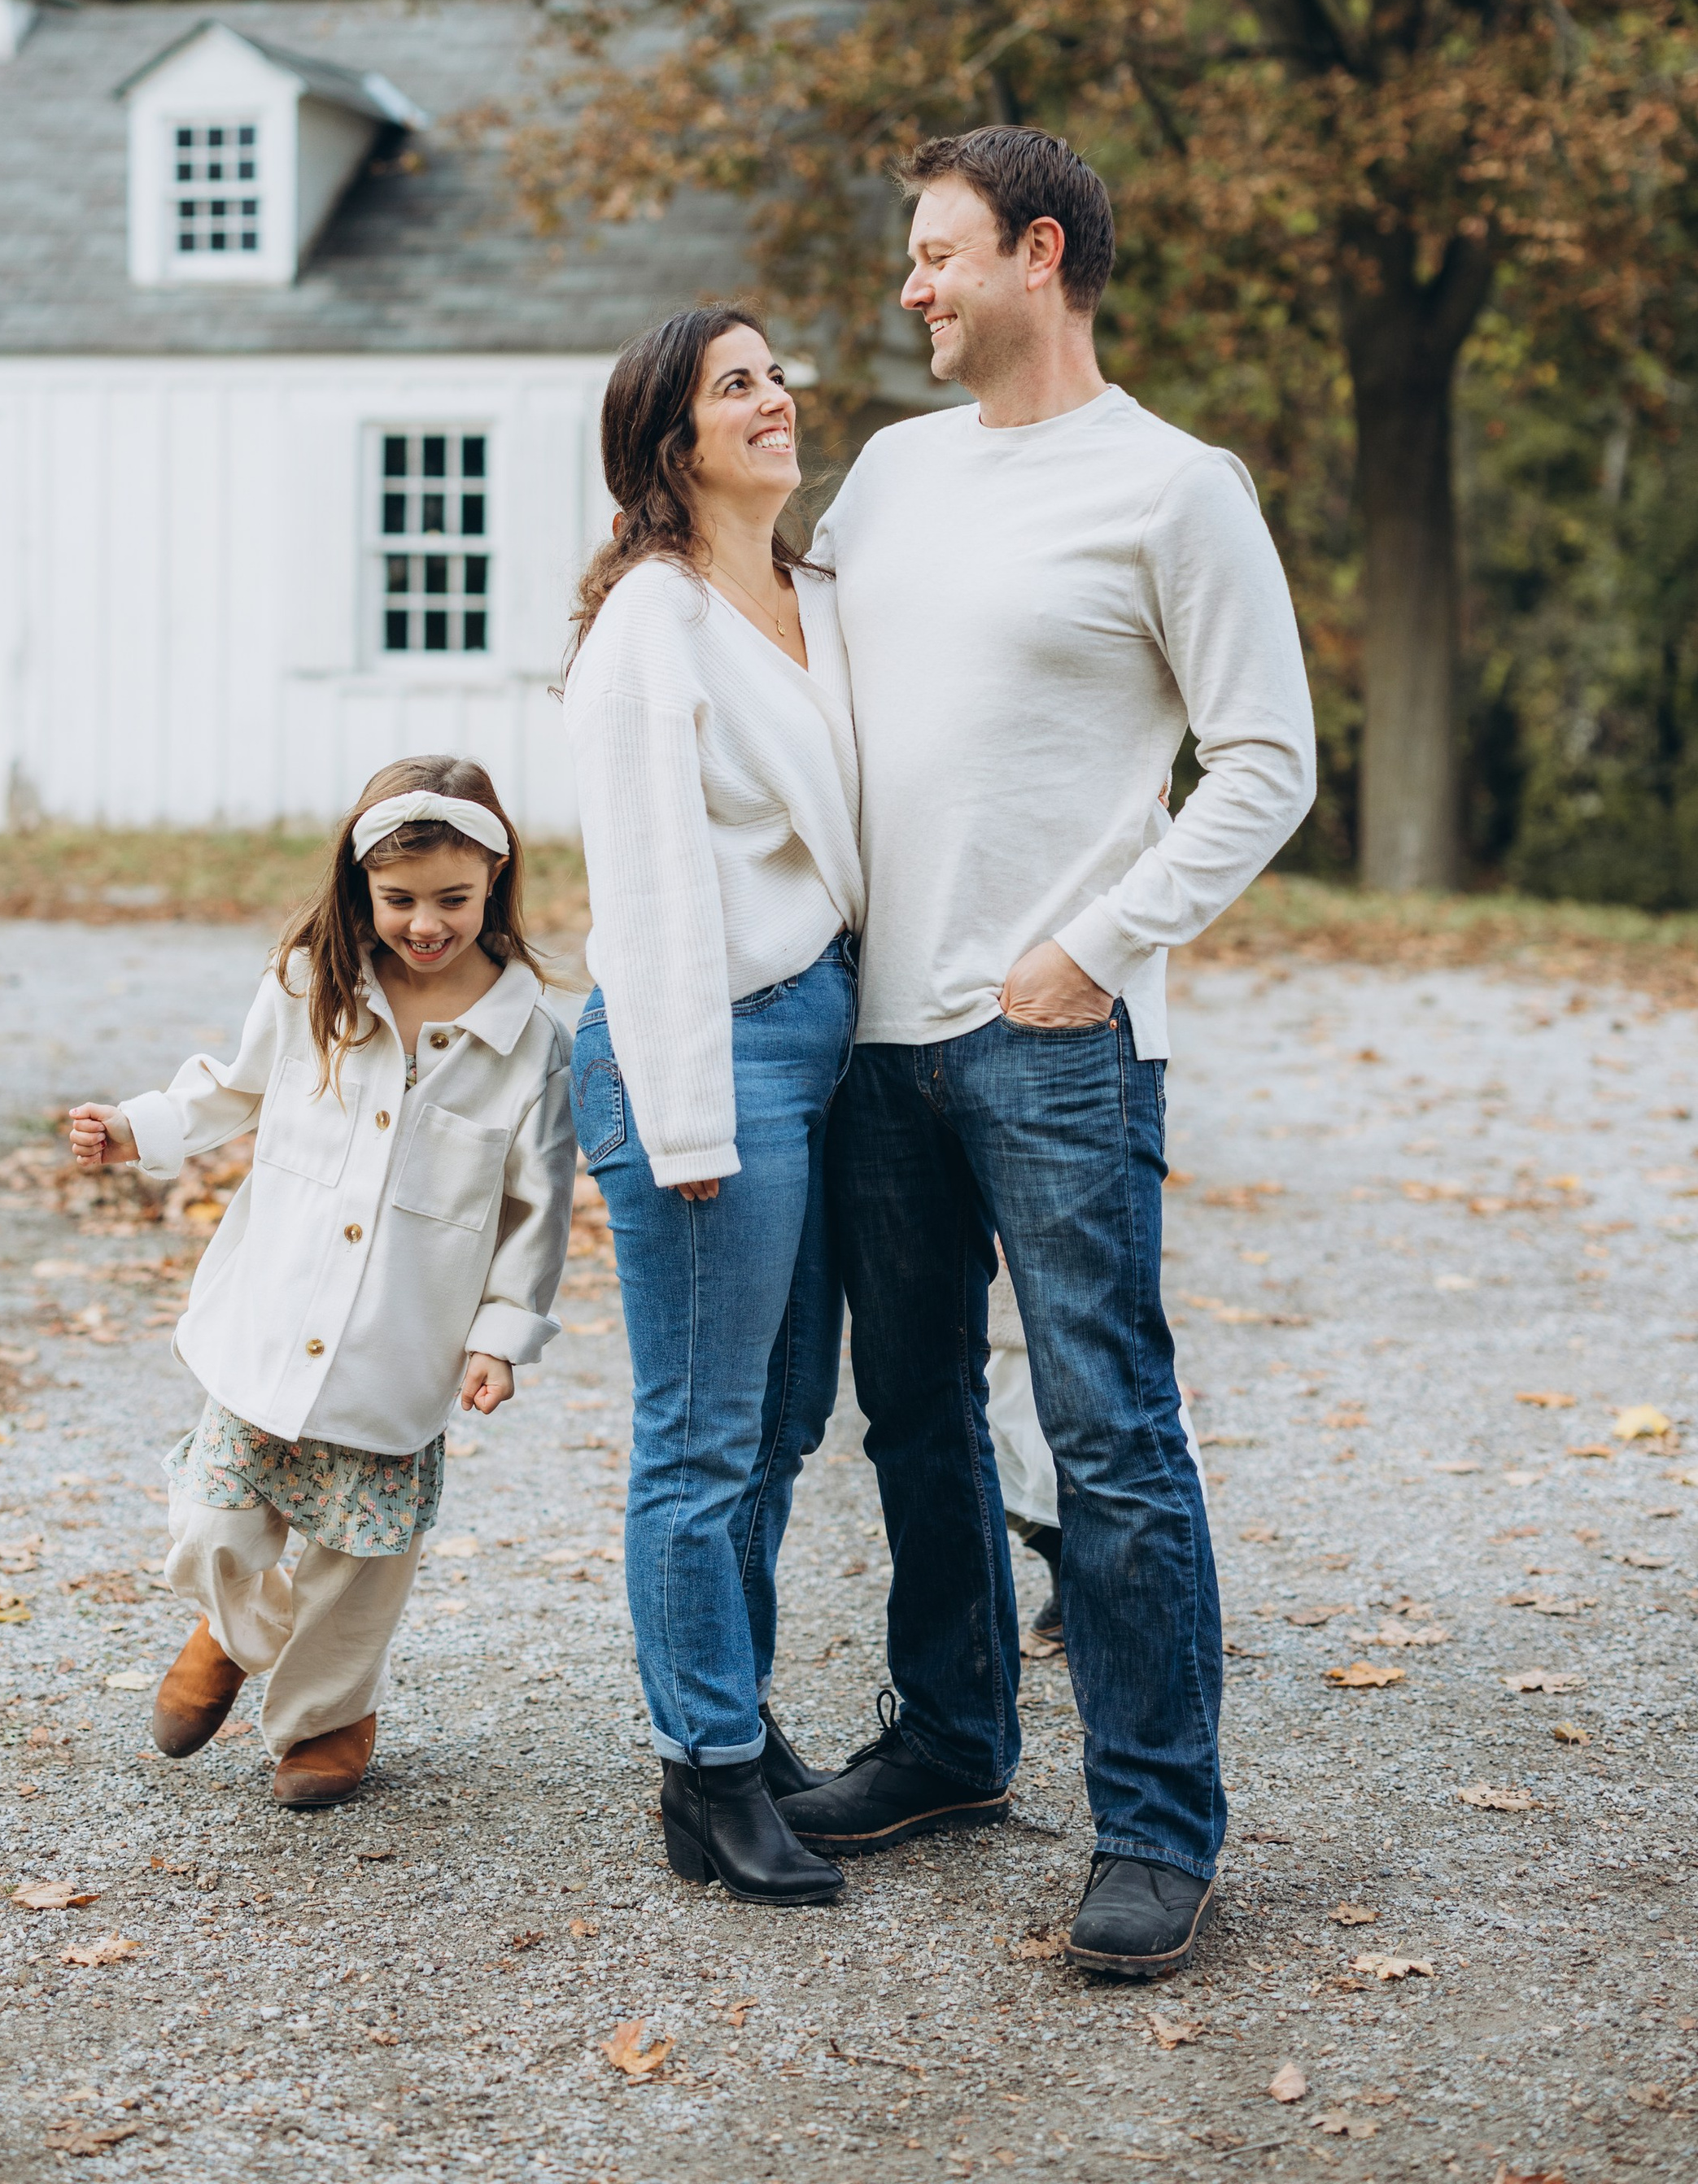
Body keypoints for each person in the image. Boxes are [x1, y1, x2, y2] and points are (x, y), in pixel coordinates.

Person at [779, 127, 1316, 1981]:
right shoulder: (890, 472)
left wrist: (1090, 949)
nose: (906, 291)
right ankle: (947, 1744)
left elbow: (1264, 760)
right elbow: (793, 686)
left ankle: (1158, 1827)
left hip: (1055, 1041)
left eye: (932, 257)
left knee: (1107, 1434)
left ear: (1034, 253)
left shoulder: (1176, 490)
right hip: (874, 1034)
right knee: (911, 1411)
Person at [68, 755, 575, 1811]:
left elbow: (536, 1203)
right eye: (399, 899)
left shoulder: (527, 1040)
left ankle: (326, 1717)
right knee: (211, 1525)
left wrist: (500, 1334)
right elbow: (233, 1087)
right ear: (360, 889)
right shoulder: (315, 983)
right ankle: (233, 1629)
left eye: (452, 898)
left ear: (496, 881)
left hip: (402, 1339)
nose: (425, 923)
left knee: (359, 1556)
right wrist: (137, 1130)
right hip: (272, 1316)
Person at [563, 305, 863, 1908]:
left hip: (819, 1037)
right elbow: (654, 888)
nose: (772, 397)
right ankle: (706, 1776)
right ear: (670, 447)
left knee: (783, 1423)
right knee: (697, 1442)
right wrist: (686, 1121)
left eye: (770, 373)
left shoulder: (810, 596)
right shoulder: (650, 626)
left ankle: (733, 1709)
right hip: (704, 1048)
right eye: (731, 385)